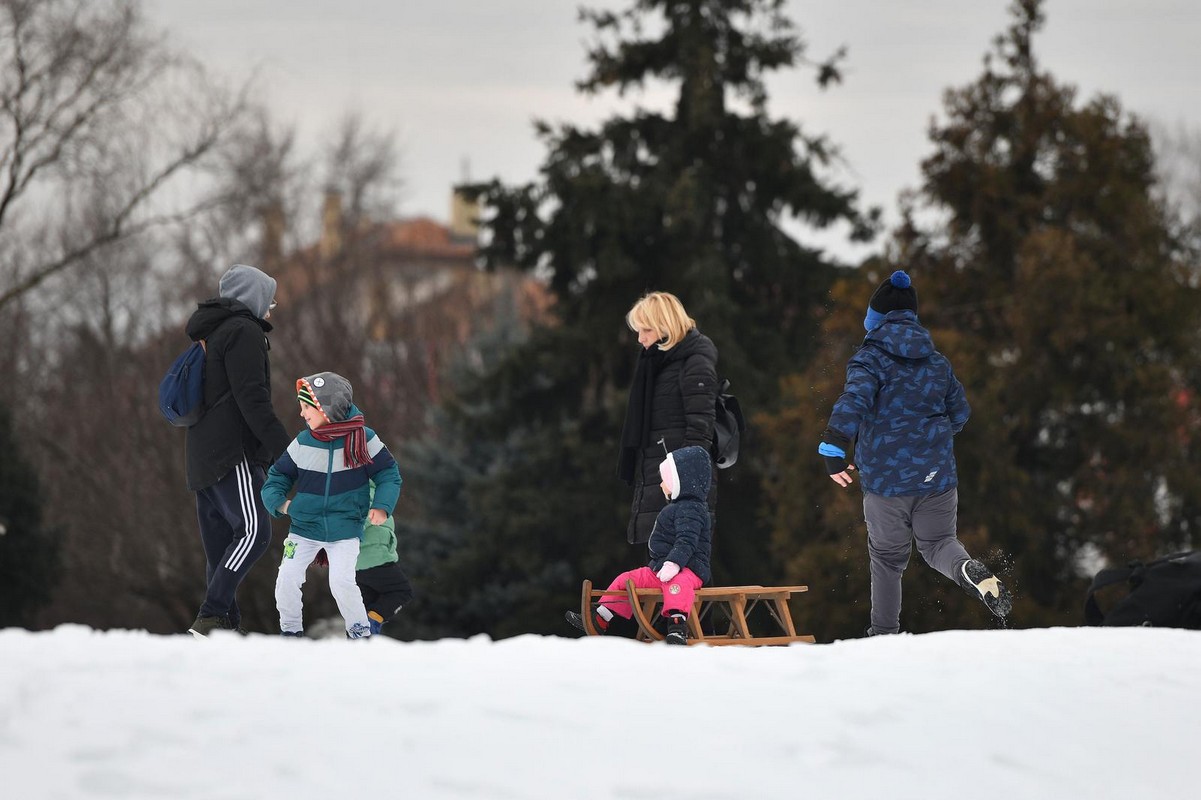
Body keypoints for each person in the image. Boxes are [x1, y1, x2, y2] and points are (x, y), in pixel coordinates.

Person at [818, 270, 1013, 636]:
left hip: (886, 484)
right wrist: (929, 443)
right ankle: (966, 569)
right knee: (939, 543)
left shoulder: (869, 359)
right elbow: (961, 412)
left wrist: (833, 445)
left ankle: (884, 633)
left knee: (888, 559)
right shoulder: (936, 362)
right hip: (937, 477)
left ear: (873, 321)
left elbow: (854, 400)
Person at [185, 263, 292, 638]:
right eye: (269, 299)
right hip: (232, 452)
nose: (271, 308)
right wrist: (285, 452)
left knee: (220, 550)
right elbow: (253, 400)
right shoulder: (243, 331)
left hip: (201, 455)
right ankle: (213, 613)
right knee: (254, 530)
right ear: (253, 297)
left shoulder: (213, 331)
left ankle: (222, 628)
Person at [262, 372, 401, 639]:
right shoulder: (302, 443)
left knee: (342, 582)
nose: (302, 414)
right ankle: (290, 633)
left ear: (327, 408)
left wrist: (382, 506)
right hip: (303, 528)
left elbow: (389, 474)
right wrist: (281, 504)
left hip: (346, 529)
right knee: (286, 579)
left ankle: (359, 633)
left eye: (307, 407)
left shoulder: (363, 439)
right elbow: (277, 476)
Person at [569, 445, 713, 645]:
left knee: (678, 585)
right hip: (661, 568)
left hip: (689, 569)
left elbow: (687, 541)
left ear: (682, 481)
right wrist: (665, 565)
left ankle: (677, 626)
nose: (662, 485)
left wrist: (674, 564)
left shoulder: (691, 510)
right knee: (626, 580)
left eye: (666, 480)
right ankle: (601, 617)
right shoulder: (677, 508)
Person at [617, 292, 718, 546]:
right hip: (655, 475)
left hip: (680, 484)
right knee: (659, 570)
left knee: (684, 569)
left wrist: (678, 479)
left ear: (665, 326)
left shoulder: (694, 362)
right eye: (638, 331)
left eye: (646, 330)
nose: (640, 339)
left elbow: (700, 428)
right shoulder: (654, 365)